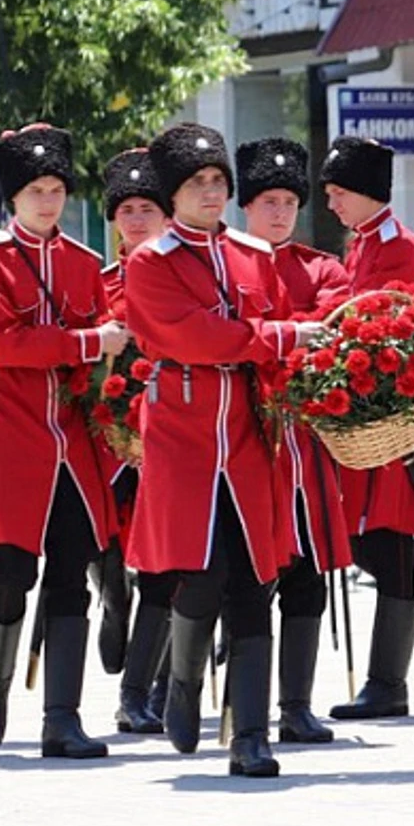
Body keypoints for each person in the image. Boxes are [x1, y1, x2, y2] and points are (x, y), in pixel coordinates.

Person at [128, 122, 319, 778]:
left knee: (255, 581)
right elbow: (195, 338)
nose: (210, 193)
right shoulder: (149, 262)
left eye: (217, 182)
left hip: (246, 428)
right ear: (172, 193)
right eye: (195, 183)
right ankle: (181, 682)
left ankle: (251, 736)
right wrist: (279, 337)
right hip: (183, 427)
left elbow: (251, 332)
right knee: (199, 572)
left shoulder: (252, 254)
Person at [0, 123, 122, 760]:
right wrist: (87, 343)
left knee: (72, 570)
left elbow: (100, 328)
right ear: (11, 199)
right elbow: (3, 344)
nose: (47, 201)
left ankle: (62, 719)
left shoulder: (81, 261)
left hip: (71, 437)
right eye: (35, 191)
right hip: (10, 435)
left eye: (55, 190)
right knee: (14, 569)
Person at [318, 136, 414, 721]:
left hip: (395, 416)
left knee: (390, 540)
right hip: (366, 416)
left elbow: (379, 318)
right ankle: (385, 678)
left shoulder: (403, 248)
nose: (331, 202)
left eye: (340, 191)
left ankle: (387, 680)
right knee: (370, 536)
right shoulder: (362, 244)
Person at [236, 135, 352, 746]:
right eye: (267, 201)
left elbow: (332, 328)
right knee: (243, 571)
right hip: (242, 433)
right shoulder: (225, 261)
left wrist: (271, 335)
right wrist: (285, 334)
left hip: (305, 438)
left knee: (307, 571)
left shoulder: (322, 267)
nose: (279, 213)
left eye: (288, 201)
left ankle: (296, 703)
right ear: (245, 207)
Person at [94, 147, 184, 735]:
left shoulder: (185, 277)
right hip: (110, 444)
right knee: (109, 556)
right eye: (125, 209)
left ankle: (150, 689)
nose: (136, 219)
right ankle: (112, 603)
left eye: (147, 207)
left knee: (171, 568)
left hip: (173, 438)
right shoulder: (98, 284)